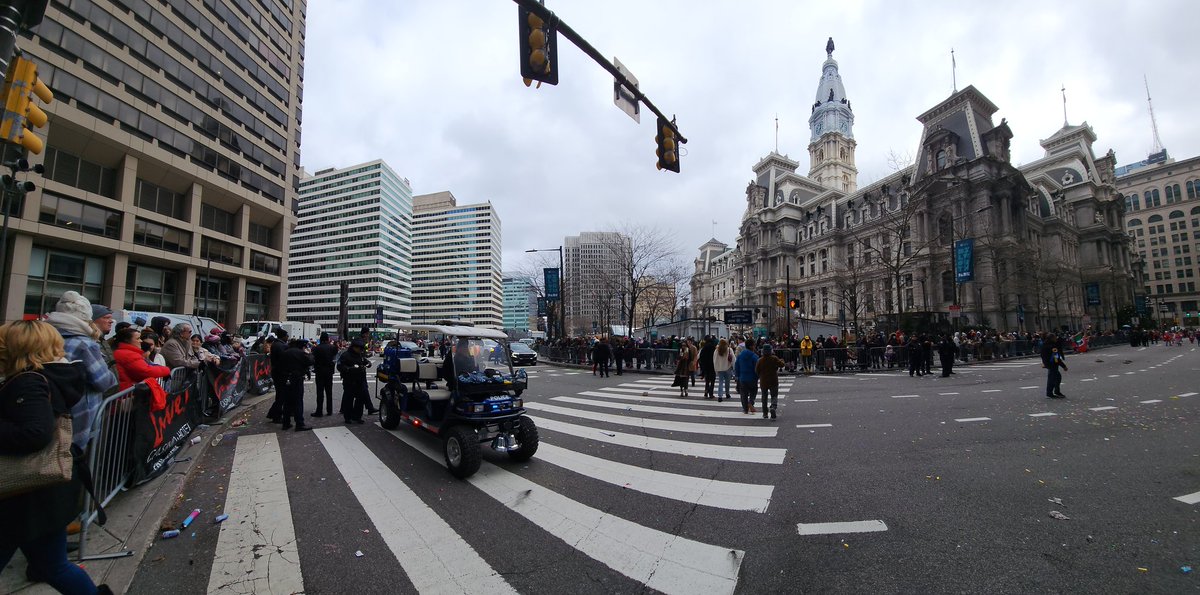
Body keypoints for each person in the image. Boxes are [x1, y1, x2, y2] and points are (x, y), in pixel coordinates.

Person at [0, 320, 114, 595]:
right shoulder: (46, 377)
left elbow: (36, 432)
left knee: (54, 565)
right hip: (41, 490)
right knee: (53, 565)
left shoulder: (29, 383)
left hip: (28, 491)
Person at [44, 291, 117, 451]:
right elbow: (104, 381)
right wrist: (112, 376)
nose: (110, 321)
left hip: (50, 412)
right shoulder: (84, 344)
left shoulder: (46, 339)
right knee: (75, 458)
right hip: (80, 412)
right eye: (106, 318)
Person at [110, 326, 171, 391]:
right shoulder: (128, 354)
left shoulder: (123, 352)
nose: (141, 341)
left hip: (124, 390)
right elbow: (146, 372)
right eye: (138, 338)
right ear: (127, 340)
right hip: (126, 392)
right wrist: (167, 370)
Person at [278, 338, 314, 431]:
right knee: (298, 401)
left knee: (287, 402)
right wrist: (309, 353)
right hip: (297, 378)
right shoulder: (301, 353)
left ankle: (286, 423)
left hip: (285, 378)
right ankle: (299, 423)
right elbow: (310, 361)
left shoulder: (285, 352)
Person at [338, 338, 372, 424]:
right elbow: (339, 366)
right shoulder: (345, 355)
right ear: (354, 347)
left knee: (360, 400)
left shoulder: (360, 355)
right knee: (348, 400)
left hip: (360, 381)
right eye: (359, 348)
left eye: (361, 349)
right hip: (349, 381)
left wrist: (368, 364)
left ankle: (357, 417)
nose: (360, 350)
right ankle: (348, 417)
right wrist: (349, 369)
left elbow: (365, 361)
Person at [311, 332, 339, 417]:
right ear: (327, 339)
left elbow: (313, 359)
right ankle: (329, 410)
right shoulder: (332, 348)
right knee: (329, 392)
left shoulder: (316, 348)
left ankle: (319, 411)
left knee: (320, 392)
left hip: (319, 371)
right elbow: (335, 355)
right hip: (329, 371)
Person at [755, 343, 785, 420]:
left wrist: (760, 375)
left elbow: (756, 371)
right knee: (774, 395)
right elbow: (782, 365)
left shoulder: (760, 360)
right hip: (773, 380)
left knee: (764, 397)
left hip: (764, 381)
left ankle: (765, 413)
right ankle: (773, 407)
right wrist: (782, 360)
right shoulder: (774, 358)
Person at [734, 339, 759, 414]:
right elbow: (757, 367)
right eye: (754, 345)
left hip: (742, 377)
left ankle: (745, 408)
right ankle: (750, 402)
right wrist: (758, 375)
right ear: (751, 346)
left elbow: (737, 365)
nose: (755, 346)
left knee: (743, 393)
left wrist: (737, 375)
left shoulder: (741, 355)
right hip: (752, 377)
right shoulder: (754, 356)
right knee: (753, 391)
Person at [1041, 333, 1068, 399]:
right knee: (1053, 378)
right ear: (1052, 338)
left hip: (1047, 362)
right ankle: (1051, 392)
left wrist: (1044, 362)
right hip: (1052, 363)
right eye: (1055, 337)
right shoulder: (1053, 346)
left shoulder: (1044, 345)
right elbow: (1056, 358)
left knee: (1056, 377)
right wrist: (1063, 366)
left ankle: (1055, 391)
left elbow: (1042, 355)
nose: (1056, 338)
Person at [712, 338, 734, 402]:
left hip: (720, 368)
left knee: (720, 382)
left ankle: (720, 396)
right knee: (727, 382)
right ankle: (727, 393)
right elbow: (733, 359)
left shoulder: (717, 350)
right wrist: (734, 367)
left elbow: (714, 359)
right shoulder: (729, 349)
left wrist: (715, 368)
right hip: (728, 367)